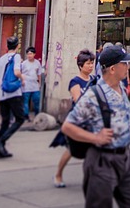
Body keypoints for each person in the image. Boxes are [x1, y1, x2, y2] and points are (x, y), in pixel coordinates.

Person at [61, 44, 130, 208]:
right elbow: (68, 126)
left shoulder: (122, 90)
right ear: (112, 69)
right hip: (102, 161)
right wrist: (95, 137)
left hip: (126, 158)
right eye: (124, 63)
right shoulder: (93, 94)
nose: (128, 67)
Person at [53, 50, 96, 188]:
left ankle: (92, 178)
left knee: (94, 149)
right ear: (80, 65)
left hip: (92, 120)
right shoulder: (75, 82)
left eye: (92, 63)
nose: (91, 66)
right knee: (71, 150)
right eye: (88, 63)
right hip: (77, 121)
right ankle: (58, 174)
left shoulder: (94, 79)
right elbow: (78, 100)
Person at [0, 36, 26, 159]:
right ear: (17, 46)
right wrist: (22, 78)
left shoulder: (1, 59)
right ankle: (1, 141)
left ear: (7, 46)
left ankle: (1, 151)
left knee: (5, 121)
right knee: (20, 119)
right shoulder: (16, 57)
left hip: (2, 94)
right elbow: (17, 72)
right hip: (14, 93)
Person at [21, 46, 44, 117]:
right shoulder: (24, 63)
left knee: (36, 100)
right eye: (28, 54)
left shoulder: (37, 63)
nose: (29, 55)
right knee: (25, 102)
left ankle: (37, 115)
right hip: (26, 85)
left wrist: (39, 83)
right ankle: (26, 116)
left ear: (34, 54)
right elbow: (19, 73)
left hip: (35, 85)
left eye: (31, 54)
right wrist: (22, 81)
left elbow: (39, 74)